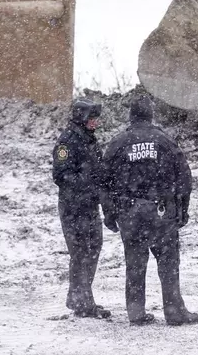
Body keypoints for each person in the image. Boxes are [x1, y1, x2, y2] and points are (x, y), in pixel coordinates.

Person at [103, 94, 198, 326]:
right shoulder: (164, 141)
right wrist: (183, 210)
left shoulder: (118, 143)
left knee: (135, 262)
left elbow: (103, 181)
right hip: (160, 211)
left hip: (128, 212)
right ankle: (174, 311)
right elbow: (184, 179)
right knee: (168, 262)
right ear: (151, 114)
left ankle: (135, 312)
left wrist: (109, 213)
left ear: (131, 115)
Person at [52, 98, 111, 319]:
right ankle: (81, 301)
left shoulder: (89, 139)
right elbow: (61, 175)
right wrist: (88, 182)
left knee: (92, 248)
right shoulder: (67, 141)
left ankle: (79, 297)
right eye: (92, 118)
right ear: (81, 117)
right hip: (73, 207)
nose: (95, 122)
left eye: (96, 118)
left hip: (89, 205)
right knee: (81, 253)